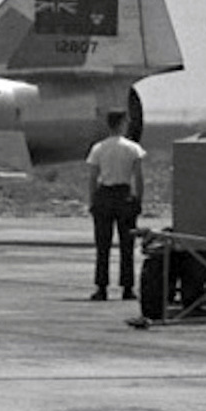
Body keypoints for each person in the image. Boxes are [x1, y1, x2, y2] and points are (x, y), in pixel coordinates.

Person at [86, 108, 145, 301]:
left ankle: (101, 287)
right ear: (121, 124)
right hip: (124, 194)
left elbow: (93, 178)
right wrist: (138, 199)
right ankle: (127, 288)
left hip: (104, 195)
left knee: (102, 246)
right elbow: (139, 177)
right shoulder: (132, 148)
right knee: (127, 246)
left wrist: (93, 200)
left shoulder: (99, 148)